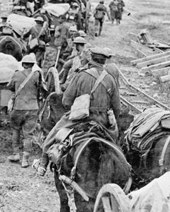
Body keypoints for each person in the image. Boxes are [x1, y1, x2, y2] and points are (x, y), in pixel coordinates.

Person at [37, 47, 120, 175]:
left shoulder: (81, 75)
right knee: (116, 142)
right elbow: (117, 107)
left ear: (91, 58)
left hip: (81, 118)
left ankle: (43, 162)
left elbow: (66, 101)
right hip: (102, 121)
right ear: (104, 61)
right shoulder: (110, 79)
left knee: (55, 132)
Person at [6, 54, 43, 168]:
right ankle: (25, 160)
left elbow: (10, 86)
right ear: (33, 65)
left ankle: (16, 154)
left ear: (23, 64)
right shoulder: (37, 75)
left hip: (18, 108)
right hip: (32, 108)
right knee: (28, 135)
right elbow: (40, 88)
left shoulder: (17, 74)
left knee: (16, 130)